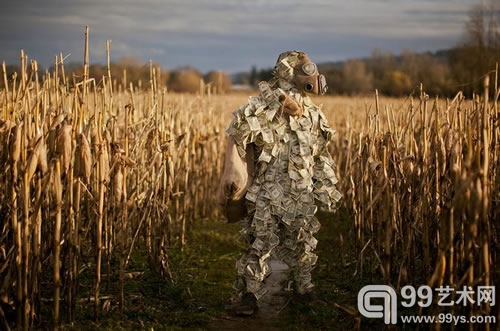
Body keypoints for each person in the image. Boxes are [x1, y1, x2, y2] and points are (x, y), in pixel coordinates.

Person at [218, 50, 341, 316]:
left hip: (302, 193)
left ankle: (303, 290)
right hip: (266, 193)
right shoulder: (260, 110)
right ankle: (249, 295)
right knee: (259, 242)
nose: (313, 77)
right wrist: (232, 169)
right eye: (305, 70)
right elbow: (236, 133)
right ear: (288, 73)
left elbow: (320, 153)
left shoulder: (313, 116)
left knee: (303, 242)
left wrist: (324, 184)